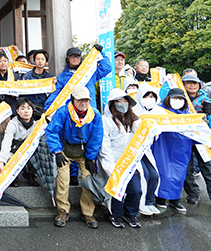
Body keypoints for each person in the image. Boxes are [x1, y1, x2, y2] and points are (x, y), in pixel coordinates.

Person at [45, 86, 103, 229]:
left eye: (86, 100)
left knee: (87, 179)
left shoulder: (94, 114)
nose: (83, 103)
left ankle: (88, 212)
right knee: (63, 179)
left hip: (85, 151)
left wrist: (90, 157)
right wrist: (57, 151)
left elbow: (97, 136)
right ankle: (63, 210)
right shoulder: (64, 112)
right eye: (80, 100)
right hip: (65, 149)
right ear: (73, 100)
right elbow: (51, 131)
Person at [179, 74, 211, 213]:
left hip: (203, 140)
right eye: (188, 83)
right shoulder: (178, 99)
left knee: (210, 170)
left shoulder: (206, 100)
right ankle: (193, 194)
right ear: (183, 85)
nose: (192, 85)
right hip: (185, 140)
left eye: (195, 83)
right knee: (187, 169)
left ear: (199, 85)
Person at [98, 89, 143, 228]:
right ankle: (116, 215)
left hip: (131, 162)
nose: (122, 104)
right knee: (117, 190)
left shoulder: (133, 119)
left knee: (136, 190)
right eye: (118, 101)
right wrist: (110, 167)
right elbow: (104, 145)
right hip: (114, 162)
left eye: (125, 101)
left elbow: (142, 135)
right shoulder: (106, 121)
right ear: (112, 103)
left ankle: (131, 214)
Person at [151, 88, 193, 213]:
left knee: (179, 175)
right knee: (163, 173)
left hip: (181, 149)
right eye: (175, 98)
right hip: (163, 147)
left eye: (180, 99)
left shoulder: (189, 115)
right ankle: (160, 198)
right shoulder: (159, 111)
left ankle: (175, 199)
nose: (177, 101)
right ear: (168, 98)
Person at [44, 45, 110, 111]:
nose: (75, 58)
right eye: (72, 56)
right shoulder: (63, 76)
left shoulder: (89, 72)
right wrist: (47, 109)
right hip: (71, 112)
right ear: (68, 58)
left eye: (77, 56)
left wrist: (100, 53)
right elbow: (56, 93)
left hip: (89, 111)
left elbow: (106, 68)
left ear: (80, 58)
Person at [133, 83, 163, 216]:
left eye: (152, 96)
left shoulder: (158, 111)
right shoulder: (133, 110)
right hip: (134, 149)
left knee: (154, 175)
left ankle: (150, 202)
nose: (150, 99)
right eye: (147, 96)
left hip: (147, 150)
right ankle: (141, 203)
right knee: (144, 175)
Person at [0, 97, 39, 186]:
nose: (26, 111)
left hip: (29, 150)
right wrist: (2, 161)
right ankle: (13, 177)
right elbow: (6, 142)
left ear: (32, 110)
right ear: (17, 111)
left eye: (28, 108)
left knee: (40, 151)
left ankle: (30, 174)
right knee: (9, 157)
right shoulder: (12, 124)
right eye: (22, 108)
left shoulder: (36, 124)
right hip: (15, 150)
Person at [22, 49, 54, 118]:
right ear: (34, 61)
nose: (40, 61)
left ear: (46, 62)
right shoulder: (27, 77)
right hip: (31, 109)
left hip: (46, 109)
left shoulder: (49, 77)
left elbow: (52, 95)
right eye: (38, 59)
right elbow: (23, 95)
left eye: (42, 59)